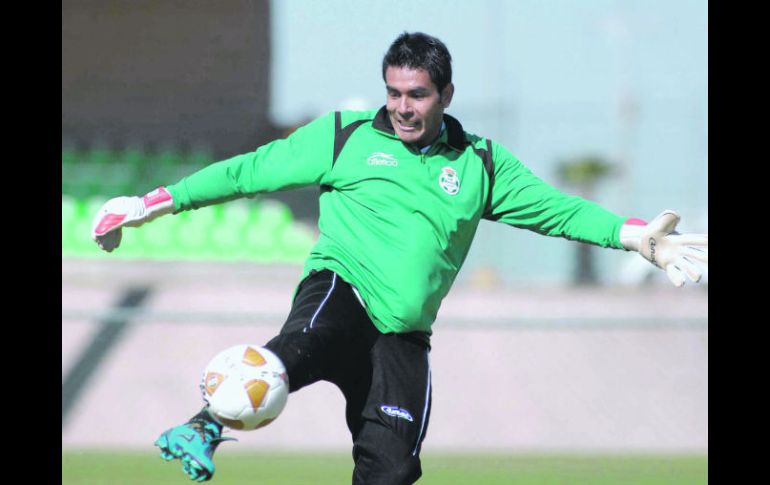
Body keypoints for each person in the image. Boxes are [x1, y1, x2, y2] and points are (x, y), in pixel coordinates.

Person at [90, 32, 708, 484]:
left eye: (416, 94)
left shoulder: (481, 164)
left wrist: (633, 235)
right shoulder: (344, 136)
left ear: (445, 94)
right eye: (394, 93)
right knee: (306, 342)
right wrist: (153, 203)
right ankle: (202, 423)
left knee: (392, 471)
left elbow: (557, 209)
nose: (402, 107)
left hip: (403, 338)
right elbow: (249, 172)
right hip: (343, 287)